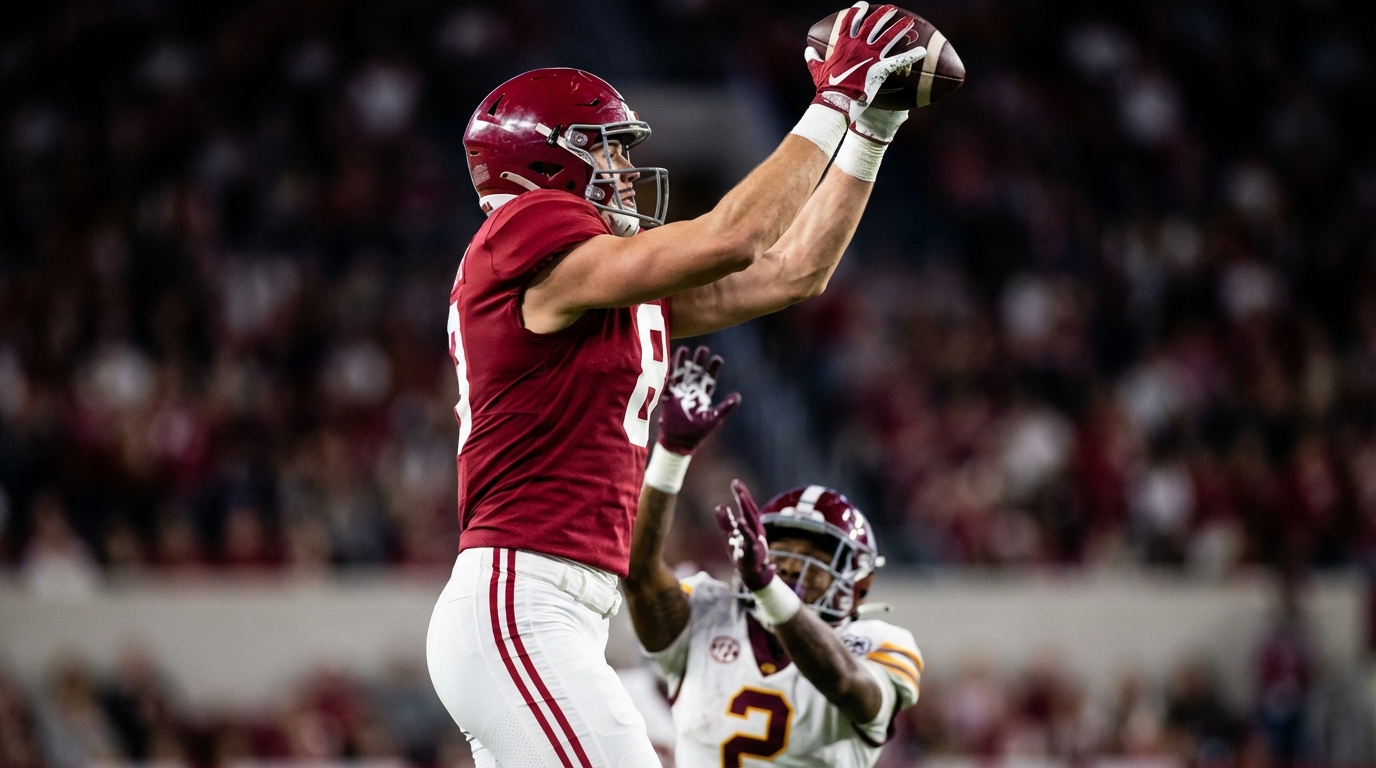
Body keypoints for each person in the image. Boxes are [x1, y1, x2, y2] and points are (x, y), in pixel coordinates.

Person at [427, 4, 930, 766]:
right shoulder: (522, 229)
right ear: (547, 164)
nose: (626, 171)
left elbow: (795, 271)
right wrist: (832, 100)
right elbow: (734, 237)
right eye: (607, 150)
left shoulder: (597, 286)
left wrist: (871, 128)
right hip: (522, 599)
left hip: (554, 610)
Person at [624, 346, 922, 767]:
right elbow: (638, 575)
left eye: (816, 555)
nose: (793, 564)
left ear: (855, 584)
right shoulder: (709, 612)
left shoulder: (880, 644)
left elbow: (845, 684)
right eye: (782, 548)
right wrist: (671, 454)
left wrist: (768, 587)